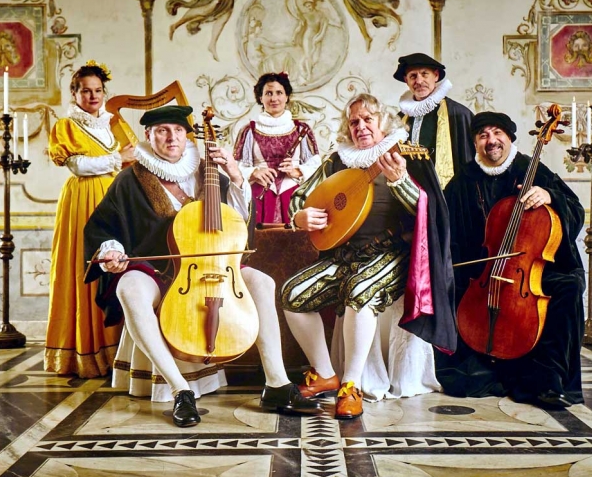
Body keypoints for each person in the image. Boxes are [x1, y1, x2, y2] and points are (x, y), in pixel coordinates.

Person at [83, 105, 322, 427]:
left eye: (178, 131)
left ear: (187, 136)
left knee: (262, 282)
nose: (172, 137)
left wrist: (235, 176)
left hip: (213, 265)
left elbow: (238, 221)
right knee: (128, 288)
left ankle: (277, 384)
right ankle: (180, 390)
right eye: (162, 131)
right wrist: (112, 252)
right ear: (149, 135)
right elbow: (103, 228)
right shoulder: (130, 179)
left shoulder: (206, 173)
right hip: (159, 270)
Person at [282, 93, 456, 419]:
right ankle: (324, 373)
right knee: (292, 294)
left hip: (391, 253)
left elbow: (426, 212)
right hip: (344, 256)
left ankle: (351, 386)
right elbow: (301, 197)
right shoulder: (337, 161)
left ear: (382, 122)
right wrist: (299, 216)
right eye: (354, 122)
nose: (360, 126)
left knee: (359, 290)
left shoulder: (407, 155)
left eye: (367, 119)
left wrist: (399, 181)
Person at [441, 111, 586, 409]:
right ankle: (485, 369)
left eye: (497, 133)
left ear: (509, 138)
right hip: (483, 271)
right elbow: (446, 227)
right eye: (483, 136)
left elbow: (575, 208)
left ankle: (548, 378)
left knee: (567, 288)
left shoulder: (530, 169)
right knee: (451, 288)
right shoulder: (464, 180)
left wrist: (550, 196)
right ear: (475, 143)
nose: (491, 141)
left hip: (532, 271)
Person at [44, 61, 135, 378]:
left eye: (98, 90)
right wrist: (118, 158)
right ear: (75, 93)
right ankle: (85, 350)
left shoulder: (111, 125)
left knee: (116, 266)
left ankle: (118, 351)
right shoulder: (66, 125)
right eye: (86, 91)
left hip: (113, 197)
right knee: (87, 265)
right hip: (83, 198)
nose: (93, 96)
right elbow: (78, 166)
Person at [232, 72, 320, 224]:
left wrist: (297, 171)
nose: (274, 98)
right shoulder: (249, 130)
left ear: (287, 97)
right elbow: (236, 167)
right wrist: (254, 172)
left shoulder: (301, 129)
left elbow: (317, 167)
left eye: (279, 93)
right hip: (259, 196)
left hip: (295, 196)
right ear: (260, 98)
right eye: (268, 93)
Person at [394, 52, 474, 187]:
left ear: (436, 76)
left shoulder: (458, 114)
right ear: (406, 80)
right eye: (413, 76)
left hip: (448, 191)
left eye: (424, 74)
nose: (419, 81)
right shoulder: (400, 119)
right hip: (410, 189)